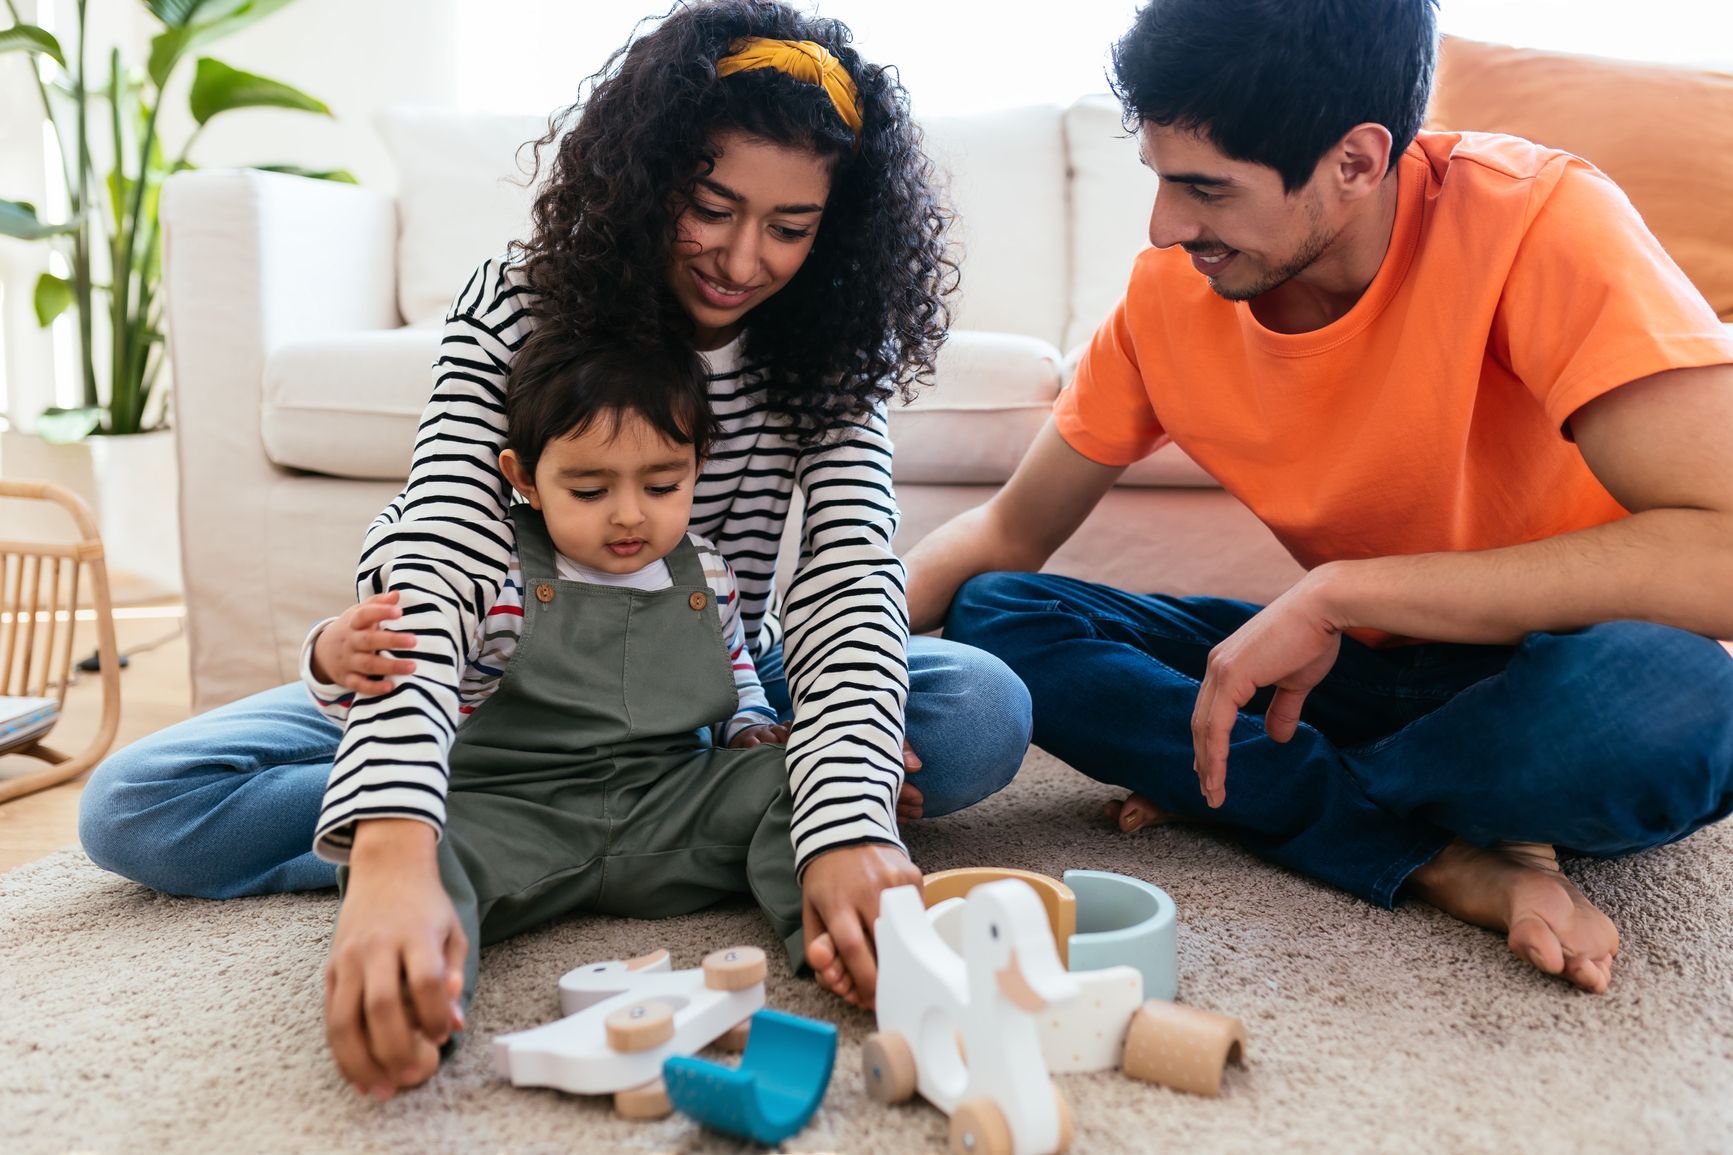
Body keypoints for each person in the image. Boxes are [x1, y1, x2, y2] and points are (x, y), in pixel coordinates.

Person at [78, 0, 1034, 1060]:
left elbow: (850, 578)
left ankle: (629, 811)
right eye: (711, 207)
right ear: (652, 174)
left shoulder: (831, 351)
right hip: (497, 683)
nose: (741, 257)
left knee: (978, 709)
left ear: (835, 229)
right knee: (135, 802)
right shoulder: (516, 304)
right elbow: (438, 547)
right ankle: (499, 799)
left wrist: (846, 820)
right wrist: (393, 843)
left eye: (790, 228)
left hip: (709, 697)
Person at [908, 0, 1733, 996]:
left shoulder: (1535, 221)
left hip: (1544, 675)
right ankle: (1440, 846)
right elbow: (1006, 532)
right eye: (1160, 180)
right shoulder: (1167, 297)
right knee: (1001, 613)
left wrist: (1348, 594)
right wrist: (798, 673)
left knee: (1674, 702)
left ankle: (1244, 786)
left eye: (1204, 189)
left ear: (1353, 160)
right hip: (1348, 683)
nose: (1167, 228)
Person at [310, 332, 806, 1095]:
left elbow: (734, 668)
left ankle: (834, 936)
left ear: (697, 465)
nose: (629, 516)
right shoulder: (496, 570)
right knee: (419, 852)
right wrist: (330, 656)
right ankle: (421, 1006)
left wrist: (752, 725)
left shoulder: (707, 570)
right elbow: (394, 696)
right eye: (589, 490)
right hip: (513, 817)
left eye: (663, 484)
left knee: (799, 776)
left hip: (668, 803)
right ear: (524, 479)